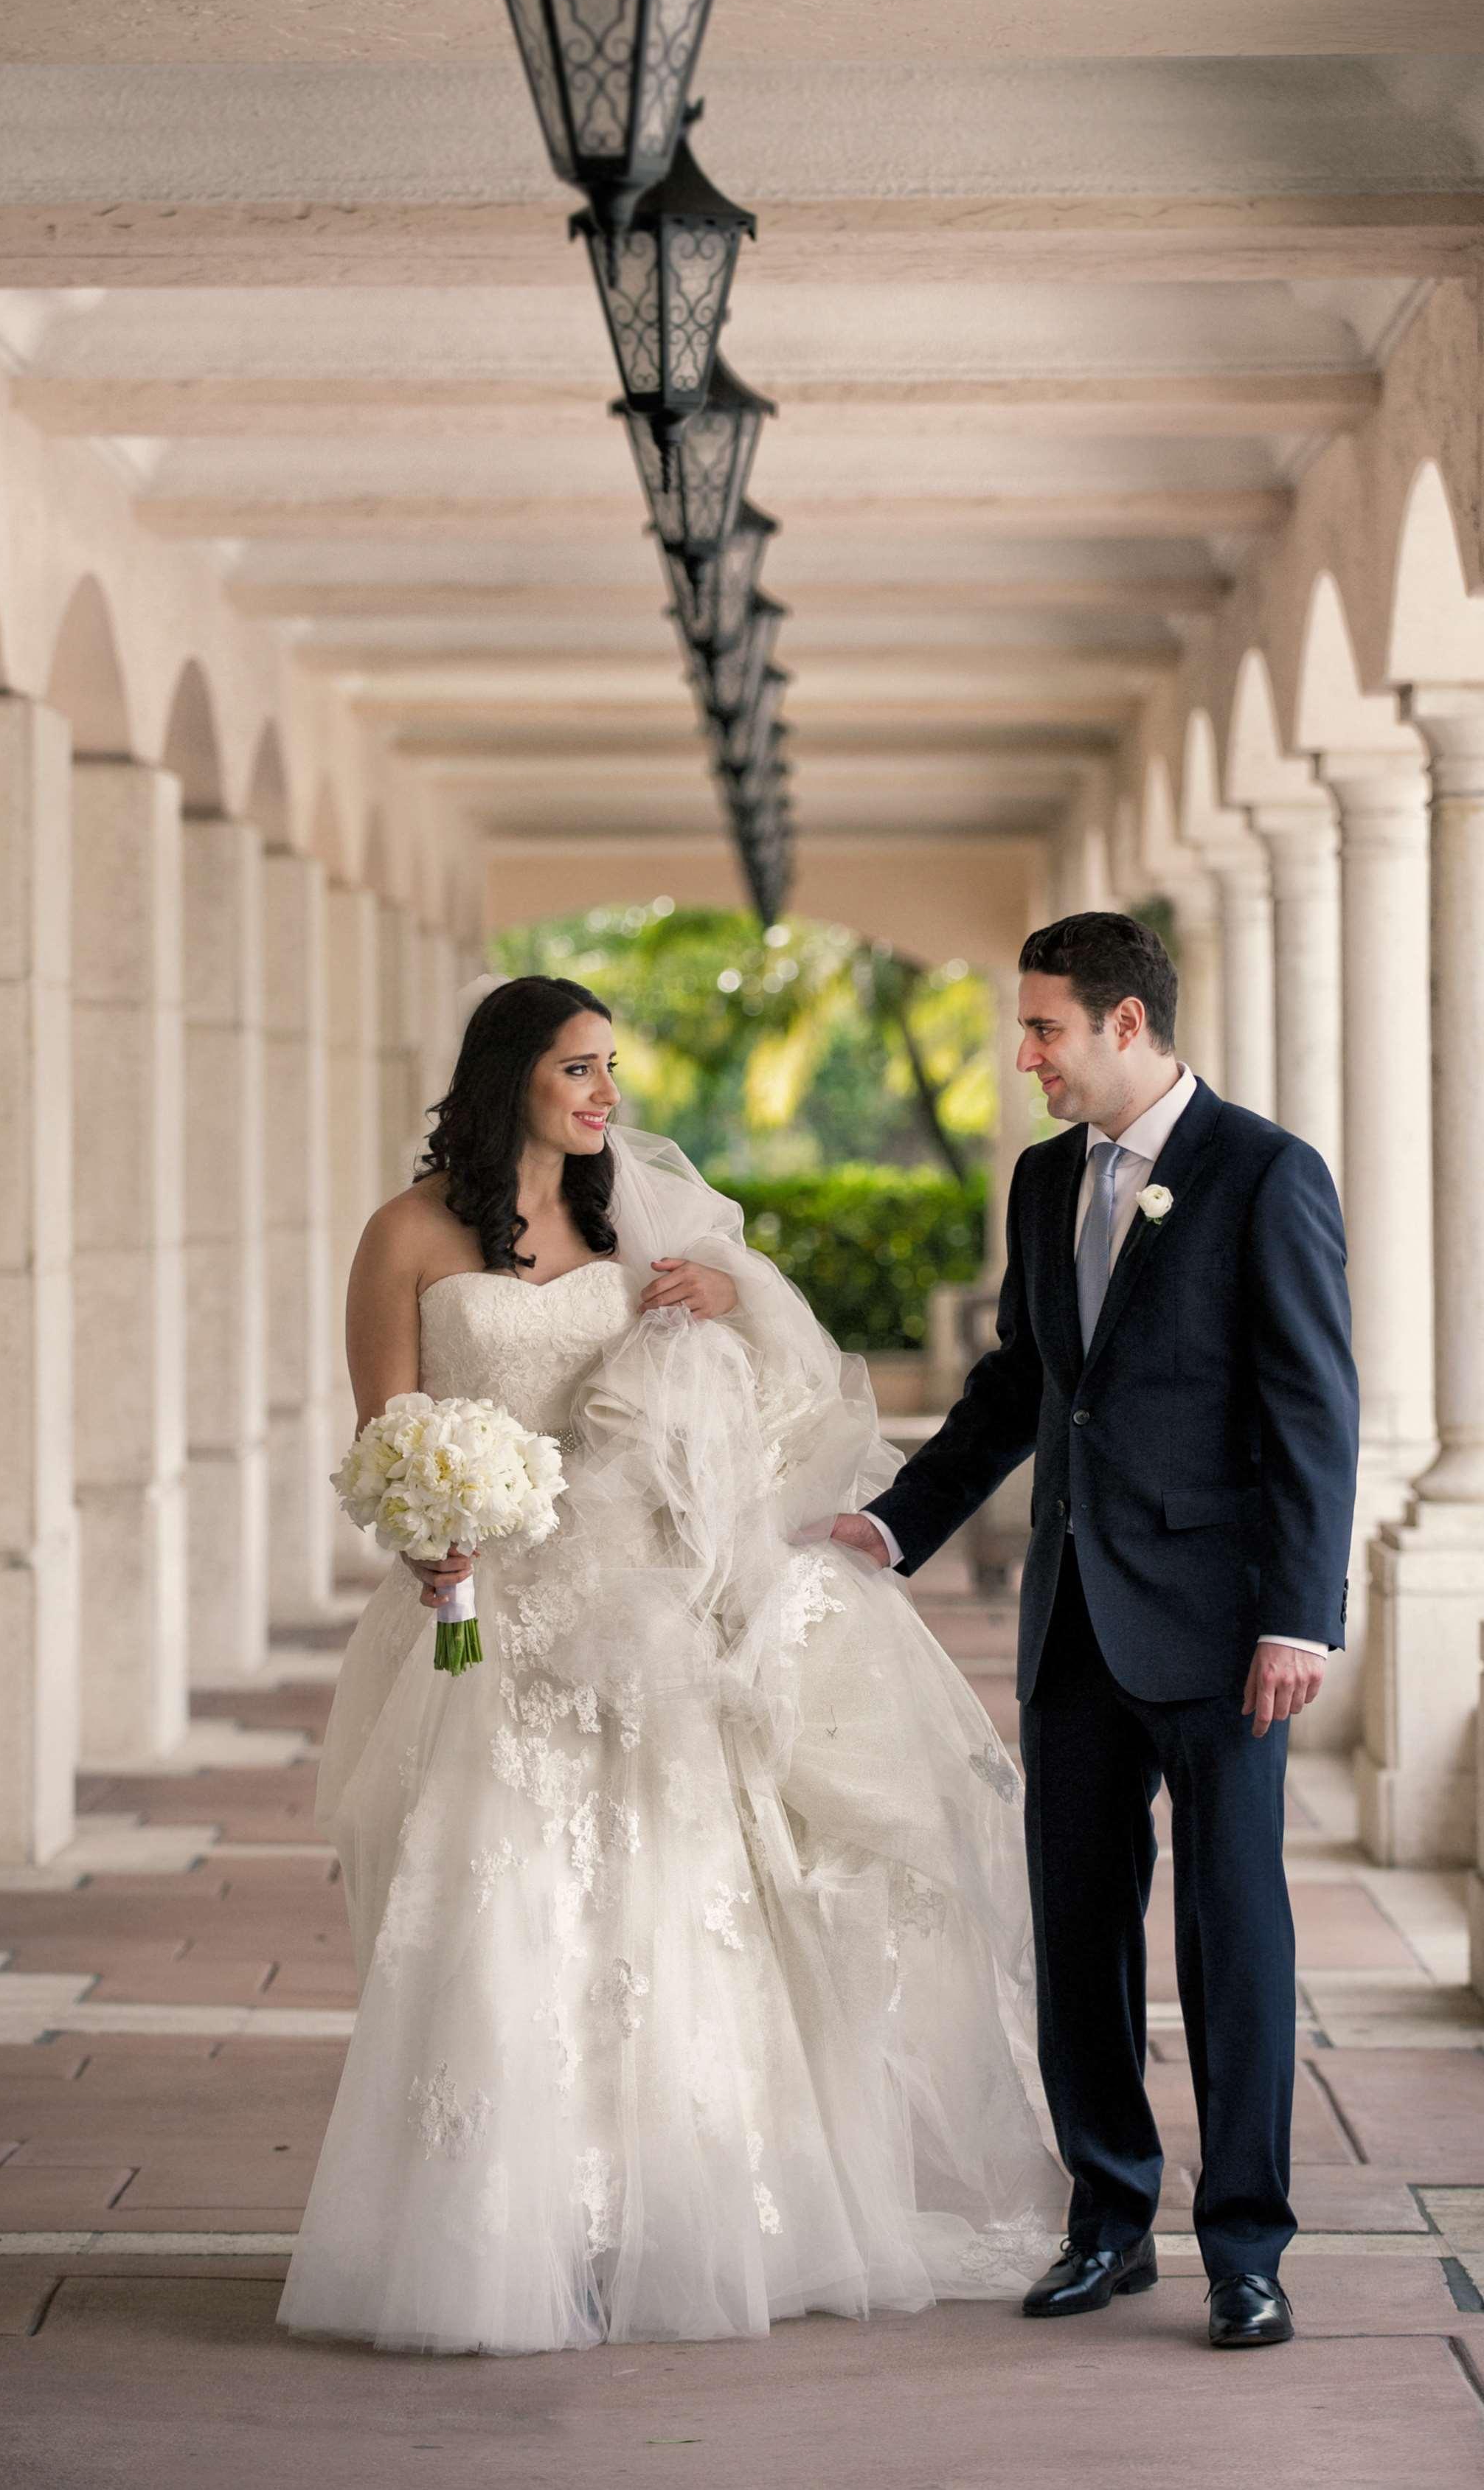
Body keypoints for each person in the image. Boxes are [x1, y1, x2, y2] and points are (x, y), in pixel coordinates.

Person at [280, 976, 1063, 2357]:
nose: (603, 1096)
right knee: (500, 1909)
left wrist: (730, 1302)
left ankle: (668, 2220)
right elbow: (383, 1430)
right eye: (577, 1069)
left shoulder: (636, 1237)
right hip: (484, 1616)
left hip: (637, 1621)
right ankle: (505, 2229)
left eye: (611, 1070)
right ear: (508, 1074)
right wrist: (428, 1534)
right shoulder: (402, 1235)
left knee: (657, 1912)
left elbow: (765, 1409)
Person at [831, 911, 1358, 2351]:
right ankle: (1109, 2222)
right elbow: (1024, 1382)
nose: (1027, 1057)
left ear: (1127, 1024)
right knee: (1079, 1937)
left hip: (1230, 1634)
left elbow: (1316, 1409)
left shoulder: (1264, 1172)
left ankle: (1247, 2247)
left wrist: (1302, 1615)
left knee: (1235, 1941)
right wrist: (899, 1519)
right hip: (1074, 1626)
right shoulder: (1042, 1179)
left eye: (1047, 1028)